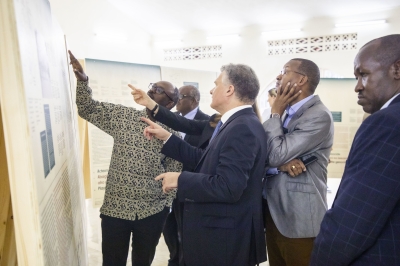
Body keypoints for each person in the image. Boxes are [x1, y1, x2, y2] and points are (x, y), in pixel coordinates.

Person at [139, 64, 268, 266]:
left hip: (223, 241)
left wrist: (180, 179)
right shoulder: (235, 123)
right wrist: (167, 138)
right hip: (220, 236)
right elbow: (204, 158)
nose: (210, 90)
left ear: (229, 90)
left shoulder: (242, 128)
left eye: (215, 85)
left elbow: (228, 186)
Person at [68, 51, 182, 266]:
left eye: (158, 90)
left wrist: (165, 207)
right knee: (112, 262)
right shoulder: (124, 116)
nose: (150, 90)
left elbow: (176, 171)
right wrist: (83, 81)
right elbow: (87, 108)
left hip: (151, 212)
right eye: (152, 86)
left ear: (169, 103)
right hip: (115, 209)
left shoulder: (173, 133)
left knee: (143, 262)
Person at [311, 35, 400, 265]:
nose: (357, 86)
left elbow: (351, 223)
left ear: (397, 69)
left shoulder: (387, 123)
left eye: (364, 74)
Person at [262, 58, 334, 266]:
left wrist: (276, 112)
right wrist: (279, 165)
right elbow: (264, 156)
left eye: (284, 71)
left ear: (301, 79)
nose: (278, 77)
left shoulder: (318, 115)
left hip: (299, 219)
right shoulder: (285, 114)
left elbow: (274, 154)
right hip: (274, 214)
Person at [163, 85, 209, 266]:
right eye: (176, 96)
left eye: (181, 96)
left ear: (195, 100)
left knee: (188, 235)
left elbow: (204, 158)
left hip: (190, 189)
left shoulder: (207, 123)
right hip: (167, 190)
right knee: (169, 231)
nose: (177, 100)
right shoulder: (170, 121)